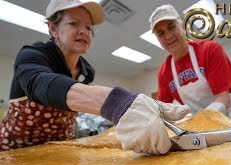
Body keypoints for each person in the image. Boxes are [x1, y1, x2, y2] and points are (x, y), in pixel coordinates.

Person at [0, 0, 190, 155]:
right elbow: (40, 83)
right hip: (17, 152)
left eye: (89, 27)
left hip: (62, 148)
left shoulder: (86, 71)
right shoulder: (33, 55)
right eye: (74, 23)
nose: (84, 31)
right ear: (53, 29)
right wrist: (117, 103)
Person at [149, 4, 231, 124]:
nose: (168, 36)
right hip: (202, 129)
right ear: (158, 40)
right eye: (161, 33)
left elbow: (223, 98)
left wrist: (197, 123)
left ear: (182, 27)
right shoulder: (164, 72)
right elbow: (162, 111)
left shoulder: (209, 50)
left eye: (171, 27)